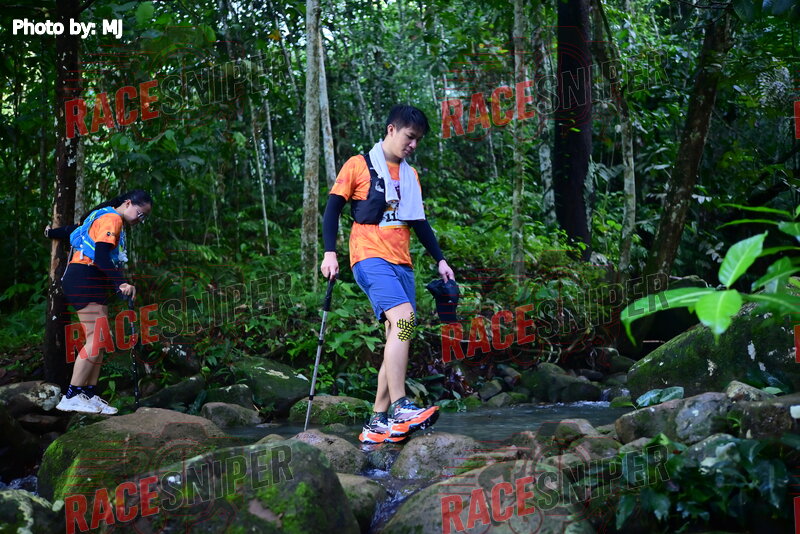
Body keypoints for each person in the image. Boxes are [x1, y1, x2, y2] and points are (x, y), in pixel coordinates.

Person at [320, 105, 455, 444]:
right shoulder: (358, 164)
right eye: (410, 137)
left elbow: (419, 222)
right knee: (405, 320)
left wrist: (440, 260)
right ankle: (400, 407)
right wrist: (329, 252)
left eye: (418, 140)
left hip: (402, 262)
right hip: (368, 256)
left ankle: (377, 422)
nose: (413, 145)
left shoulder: (410, 175)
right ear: (392, 129)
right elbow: (332, 208)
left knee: (399, 331)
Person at [45, 190, 153, 415]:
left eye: (144, 217)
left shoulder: (102, 216)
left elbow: (72, 231)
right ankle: (71, 396)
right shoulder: (112, 218)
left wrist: (50, 232)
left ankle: (88, 393)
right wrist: (121, 283)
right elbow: (101, 255)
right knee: (96, 338)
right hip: (83, 276)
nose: (140, 219)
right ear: (128, 203)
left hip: (91, 279)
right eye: (140, 213)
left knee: (101, 338)